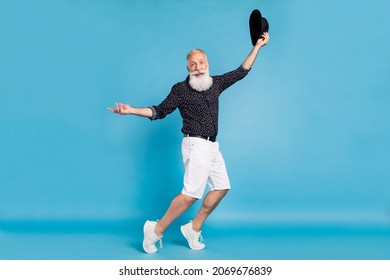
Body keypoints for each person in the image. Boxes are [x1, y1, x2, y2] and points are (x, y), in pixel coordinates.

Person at [108, 32, 269, 253]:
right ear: (188, 69)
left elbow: (242, 71)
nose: (198, 66)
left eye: (201, 62)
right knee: (191, 195)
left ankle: (193, 228)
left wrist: (258, 46)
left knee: (221, 188)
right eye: (193, 64)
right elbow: (159, 111)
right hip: (196, 145)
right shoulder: (180, 90)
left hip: (213, 146)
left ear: (207, 64)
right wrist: (131, 110)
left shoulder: (216, 84)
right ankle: (155, 230)